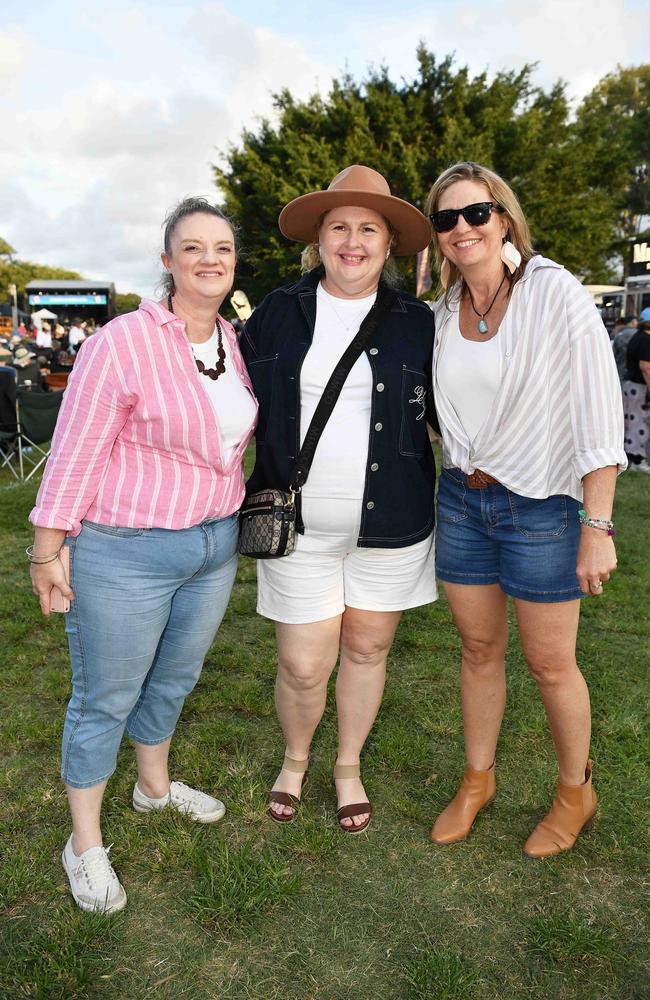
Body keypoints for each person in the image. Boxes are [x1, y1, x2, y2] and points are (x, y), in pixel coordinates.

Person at [29, 197, 257, 913]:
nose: (209, 259)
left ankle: (153, 788)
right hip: (125, 550)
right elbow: (74, 451)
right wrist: (47, 549)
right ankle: (84, 845)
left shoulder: (231, 338)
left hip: (214, 546)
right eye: (192, 247)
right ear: (168, 261)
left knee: (175, 679)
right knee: (105, 698)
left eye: (221, 247)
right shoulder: (122, 341)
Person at [425, 162, 626, 857]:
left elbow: (599, 409)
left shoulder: (554, 292)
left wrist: (596, 525)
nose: (461, 228)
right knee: (479, 650)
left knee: (550, 663)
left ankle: (577, 789)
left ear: (503, 218)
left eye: (475, 213)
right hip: (462, 500)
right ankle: (478, 780)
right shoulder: (442, 314)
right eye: (446, 219)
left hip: (542, 505)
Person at [240, 165, 437, 833]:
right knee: (301, 663)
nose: (353, 242)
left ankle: (347, 764)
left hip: (394, 523)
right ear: (319, 240)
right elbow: (227, 395)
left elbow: (455, 407)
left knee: (368, 650)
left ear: (389, 244)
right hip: (296, 525)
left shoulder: (419, 322)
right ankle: (296, 758)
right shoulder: (276, 311)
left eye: (368, 229)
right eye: (339, 228)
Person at [622, 307, 650, 472]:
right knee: (640, 422)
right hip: (639, 386)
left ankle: (631, 459)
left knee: (630, 421)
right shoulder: (646, 340)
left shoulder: (636, 336)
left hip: (630, 384)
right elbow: (646, 367)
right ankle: (638, 460)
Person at [612, 314, 638, 382]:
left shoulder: (618, 335)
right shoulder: (638, 334)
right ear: (633, 322)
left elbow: (614, 355)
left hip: (620, 371)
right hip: (634, 374)